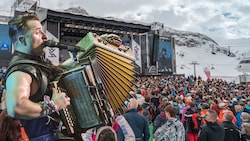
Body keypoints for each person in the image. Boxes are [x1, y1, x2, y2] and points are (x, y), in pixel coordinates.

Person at [4, 12, 70, 140]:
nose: (45, 36)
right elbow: (16, 106)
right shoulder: (20, 71)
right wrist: (53, 105)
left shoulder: (36, 63)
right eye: (38, 32)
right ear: (22, 40)